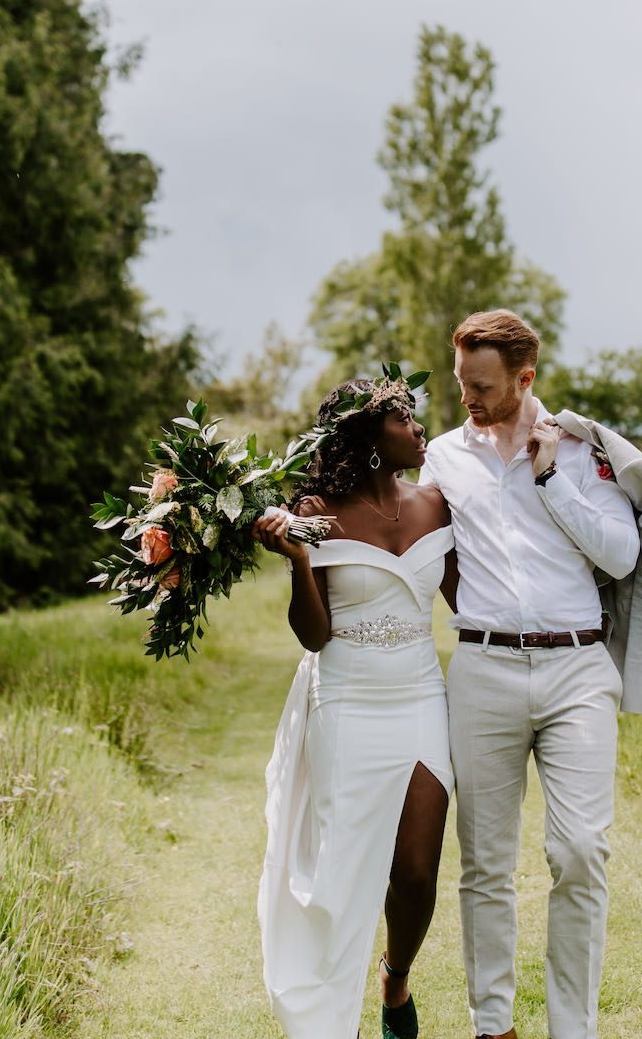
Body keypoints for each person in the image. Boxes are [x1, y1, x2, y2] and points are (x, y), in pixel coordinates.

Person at [421, 308, 642, 1039]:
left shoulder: (581, 451)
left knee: (578, 852)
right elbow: (428, 548)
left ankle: (575, 1027)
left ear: (525, 378)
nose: (468, 398)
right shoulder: (442, 455)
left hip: (576, 669)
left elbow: (622, 554)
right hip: (483, 669)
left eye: (481, 386)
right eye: (461, 384)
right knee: (486, 863)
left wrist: (548, 479)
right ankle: (493, 1025)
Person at [255, 369, 458, 1039]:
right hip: (346, 697)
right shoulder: (315, 512)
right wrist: (297, 562)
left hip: (421, 694)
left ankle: (395, 980)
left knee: (418, 872)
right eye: (405, 418)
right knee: (344, 877)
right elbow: (314, 635)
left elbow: (468, 602)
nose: (419, 426)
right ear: (372, 438)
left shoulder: (436, 505)